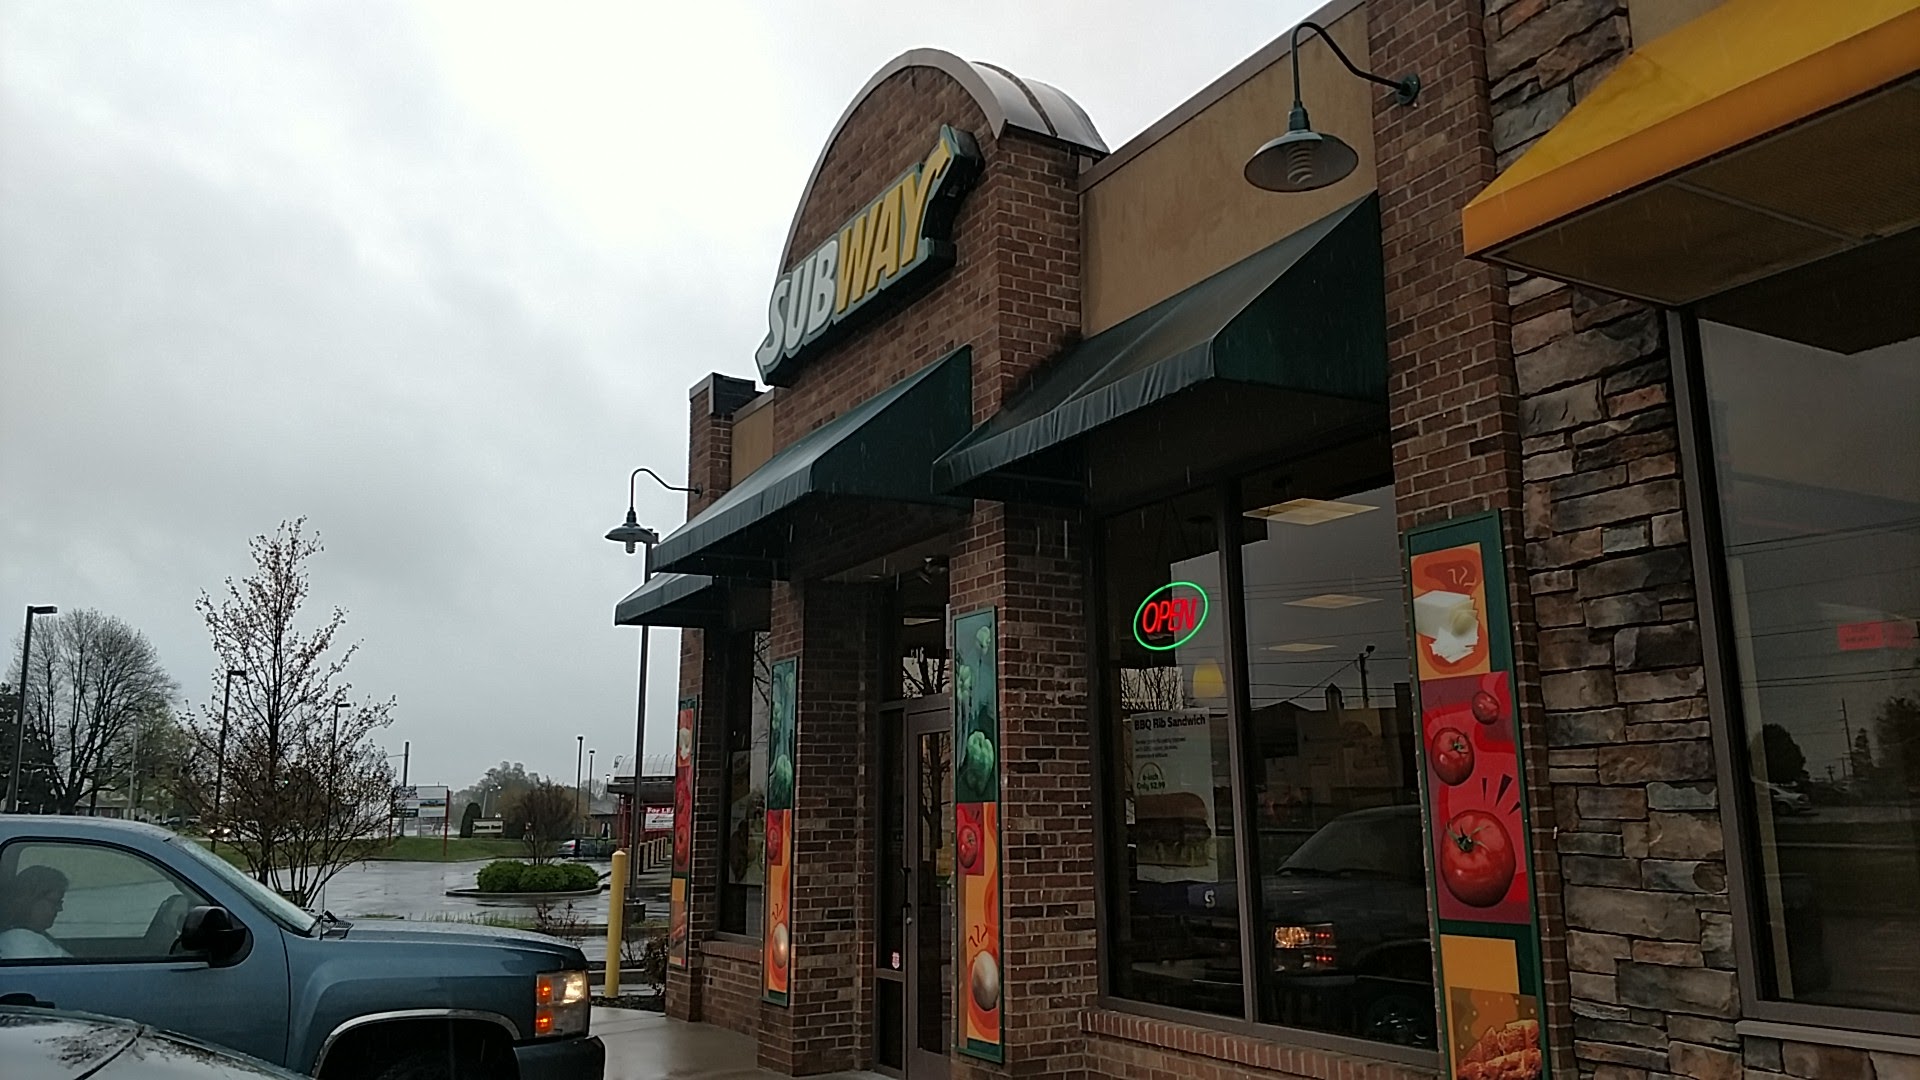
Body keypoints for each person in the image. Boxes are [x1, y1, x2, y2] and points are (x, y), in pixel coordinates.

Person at [0, 865, 73, 959]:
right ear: (31, 901)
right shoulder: (21, 940)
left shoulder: (33, 935)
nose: (60, 908)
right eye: (55, 902)